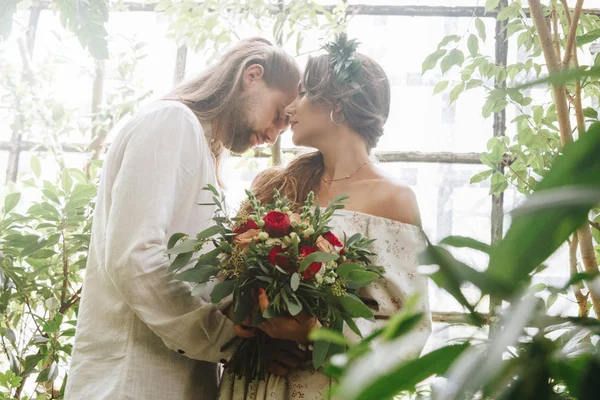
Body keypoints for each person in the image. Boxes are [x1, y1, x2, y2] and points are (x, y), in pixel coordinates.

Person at [65, 38, 300, 400]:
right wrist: (226, 339)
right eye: (278, 116)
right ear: (252, 76)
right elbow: (136, 259)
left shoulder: (204, 151)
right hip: (130, 382)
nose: (272, 136)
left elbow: (189, 275)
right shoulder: (170, 122)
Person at [218, 37, 432, 399]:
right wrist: (258, 333)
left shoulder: (394, 200)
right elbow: (225, 286)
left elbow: (408, 331)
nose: (290, 107)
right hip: (255, 382)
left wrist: (314, 333)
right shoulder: (274, 186)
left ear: (337, 106)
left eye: (302, 94)